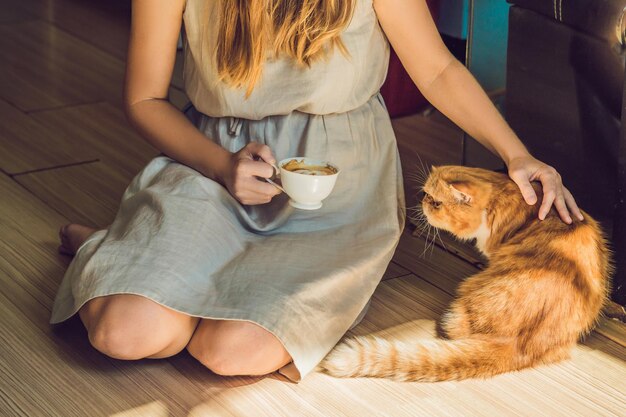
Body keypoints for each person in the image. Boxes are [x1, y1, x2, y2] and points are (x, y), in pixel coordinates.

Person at [51, 0, 582, 381]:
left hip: (338, 178)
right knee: (125, 335)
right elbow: (144, 98)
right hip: (214, 159)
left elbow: (437, 68)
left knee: (228, 352)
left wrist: (516, 154)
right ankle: (112, 251)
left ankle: (139, 259)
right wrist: (220, 165)